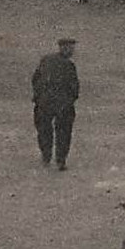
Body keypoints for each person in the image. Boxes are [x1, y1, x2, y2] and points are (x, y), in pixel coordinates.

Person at [31, 38, 80, 170]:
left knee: (44, 130)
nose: (72, 50)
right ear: (64, 48)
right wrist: (70, 100)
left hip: (44, 102)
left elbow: (35, 79)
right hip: (62, 104)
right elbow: (74, 87)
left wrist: (38, 97)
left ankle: (46, 156)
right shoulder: (68, 65)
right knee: (63, 132)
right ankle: (60, 160)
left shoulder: (46, 60)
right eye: (70, 48)